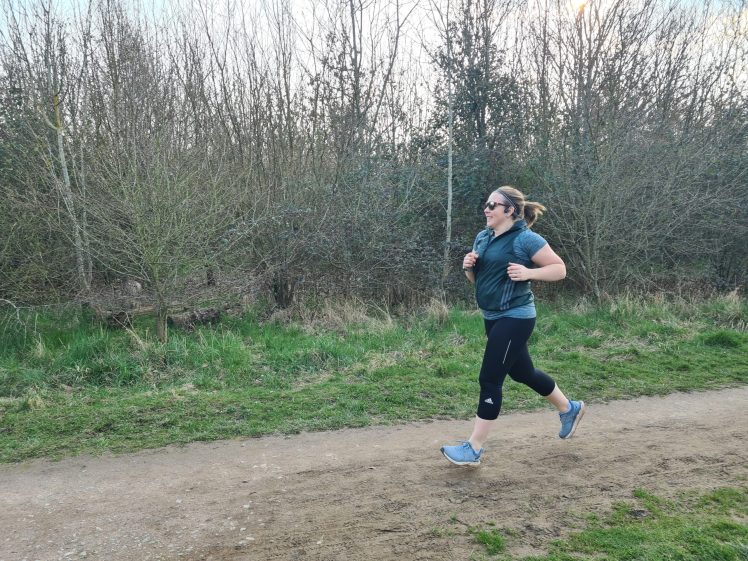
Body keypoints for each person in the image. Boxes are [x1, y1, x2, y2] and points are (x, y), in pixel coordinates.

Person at [440, 186, 585, 466]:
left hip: (516, 317)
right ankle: (569, 408)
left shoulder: (526, 239)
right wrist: (469, 267)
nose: (487, 209)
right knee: (523, 372)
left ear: (510, 210)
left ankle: (474, 448)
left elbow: (559, 269)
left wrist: (529, 272)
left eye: (493, 205)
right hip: (492, 316)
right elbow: (479, 282)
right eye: (486, 204)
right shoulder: (483, 237)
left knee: (490, 379)